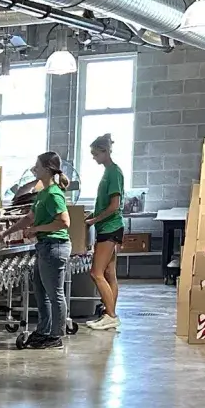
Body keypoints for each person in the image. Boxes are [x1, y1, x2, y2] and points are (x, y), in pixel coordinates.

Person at [10, 151, 72, 349]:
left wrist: (36, 229)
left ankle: (56, 335)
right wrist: (5, 234)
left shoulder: (54, 194)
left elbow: (64, 222)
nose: (33, 169)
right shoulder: (42, 193)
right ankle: (43, 330)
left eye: (37, 165)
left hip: (55, 247)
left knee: (55, 294)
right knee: (40, 291)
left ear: (47, 169)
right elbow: (29, 218)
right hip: (44, 247)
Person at [85, 134, 125, 332]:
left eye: (95, 154)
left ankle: (111, 315)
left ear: (105, 151)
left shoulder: (114, 173)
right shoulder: (108, 172)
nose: (93, 157)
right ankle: (109, 313)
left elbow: (114, 205)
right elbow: (103, 205)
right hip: (108, 227)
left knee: (96, 272)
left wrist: (94, 220)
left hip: (110, 228)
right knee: (109, 273)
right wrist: (91, 215)